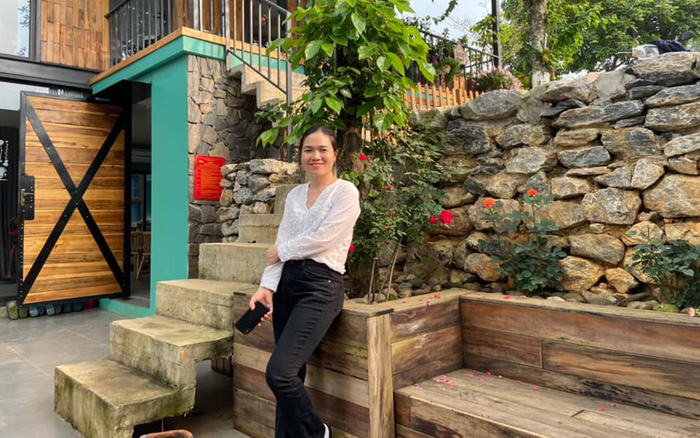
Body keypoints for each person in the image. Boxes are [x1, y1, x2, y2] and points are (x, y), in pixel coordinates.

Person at [249, 126, 361, 438]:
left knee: (280, 374)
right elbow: (281, 241)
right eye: (308, 149)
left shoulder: (345, 192)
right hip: (286, 286)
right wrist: (267, 287)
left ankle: (318, 432)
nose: (315, 156)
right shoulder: (296, 195)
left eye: (323, 149)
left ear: (335, 154)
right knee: (293, 375)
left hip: (321, 287)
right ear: (300, 155)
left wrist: (283, 251)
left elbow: (325, 239)